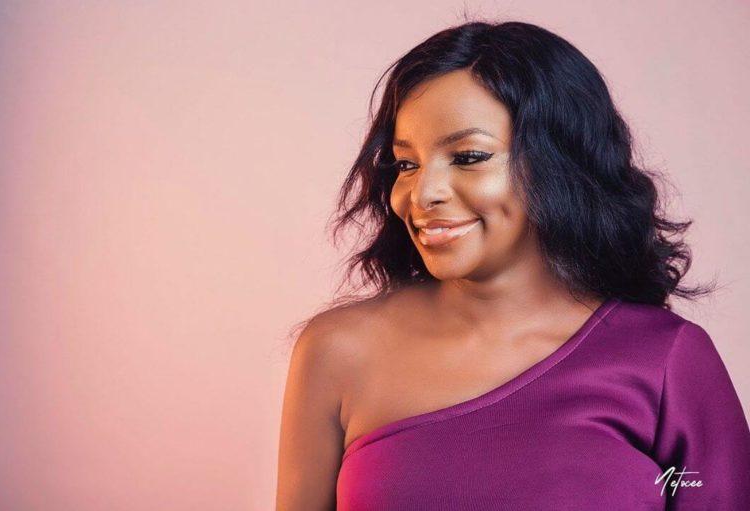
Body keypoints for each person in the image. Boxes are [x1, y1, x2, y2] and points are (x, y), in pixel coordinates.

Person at [275, 20, 750, 510]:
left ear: (558, 164)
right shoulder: (338, 351)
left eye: (468, 156)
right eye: (406, 164)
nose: (422, 193)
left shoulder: (667, 359)